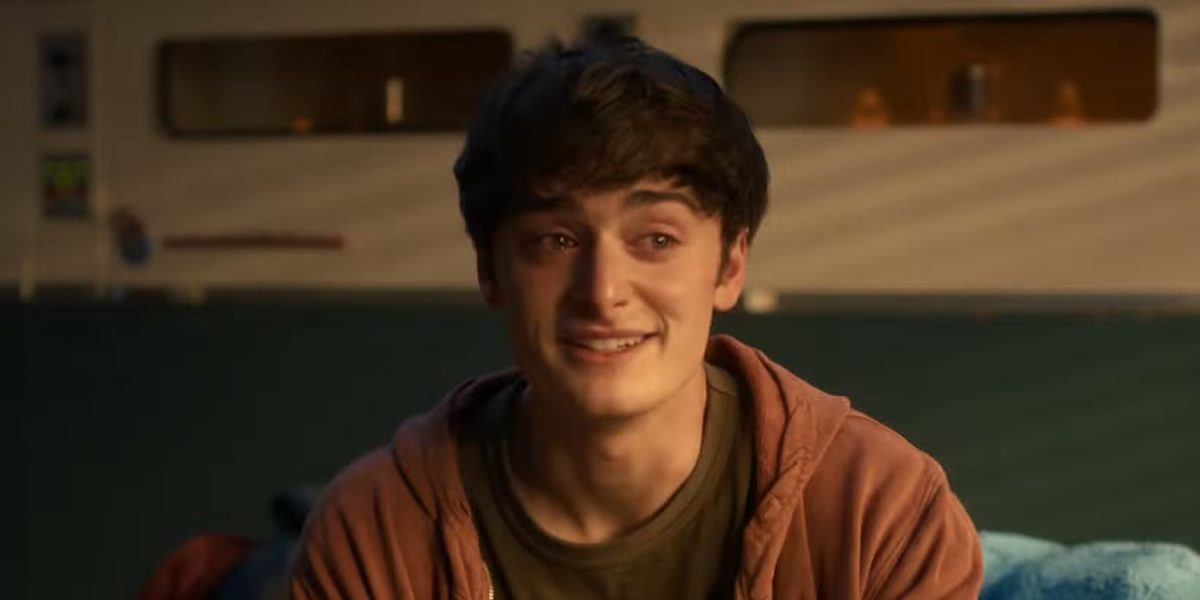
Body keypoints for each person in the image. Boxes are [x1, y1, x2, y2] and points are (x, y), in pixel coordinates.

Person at [289, 35, 983, 599]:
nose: (603, 292)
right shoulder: (375, 532)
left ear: (730, 265)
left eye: (656, 239)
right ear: (490, 270)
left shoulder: (880, 511)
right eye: (555, 241)